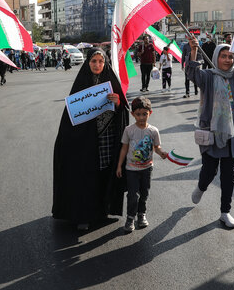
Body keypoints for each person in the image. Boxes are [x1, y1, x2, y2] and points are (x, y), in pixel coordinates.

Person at [186, 33, 234, 228]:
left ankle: (225, 212)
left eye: (230, 56)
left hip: (232, 135)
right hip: (212, 132)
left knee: (229, 173)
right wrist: (193, 51)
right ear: (216, 57)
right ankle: (201, 187)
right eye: (223, 56)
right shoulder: (208, 77)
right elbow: (192, 73)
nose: (228, 60)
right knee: (209, 170)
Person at [52, 48, 128, 230]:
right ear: (88, 63)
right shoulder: (82, 82)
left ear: (105, 63)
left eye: (100, 62)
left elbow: (122, 111)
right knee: (85, 174)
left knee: (105, 173)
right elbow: (72, 115)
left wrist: (117, 102)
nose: (97, 65)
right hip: (86, 139)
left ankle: (103, 211)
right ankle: (83, 214)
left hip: (108, 137)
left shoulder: (111, 81)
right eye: (93, 61)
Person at [115, 97, 167, 232]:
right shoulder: (129, 130)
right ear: (133, 114)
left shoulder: (153, 131)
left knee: (144, 193)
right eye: (138, 114)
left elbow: (156, 147)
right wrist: (119, 165)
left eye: (145, 114)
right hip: (131, 169)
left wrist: (162, 153)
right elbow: (124, 148)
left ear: (150, 113)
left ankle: (141, 215)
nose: (142, 117)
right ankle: (130, 218)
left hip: (147, 168)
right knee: (133, 194)